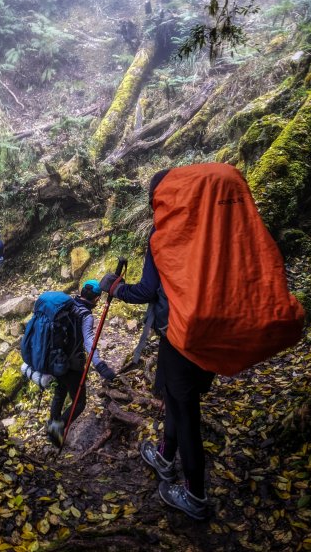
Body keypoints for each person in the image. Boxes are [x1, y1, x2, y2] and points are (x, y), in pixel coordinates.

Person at [100, 168, 214, 521]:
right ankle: (165, 455)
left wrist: (114, 287)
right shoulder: (211, 227)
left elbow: (147, 291)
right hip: (211, 331)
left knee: (186, 411)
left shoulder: (164, 235)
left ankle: (195, 496)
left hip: (180, 335)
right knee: (176, 399)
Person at [46, 279, 116, 447]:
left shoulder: (67, 304)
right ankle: (57, 431)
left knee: (59, 393)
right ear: (97, 299)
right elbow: (89, 343)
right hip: (72, 365)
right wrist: (100, 365)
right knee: (79, 402)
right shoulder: (86, 315)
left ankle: (53, 429)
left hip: (55, 359)